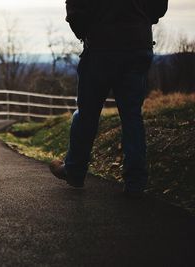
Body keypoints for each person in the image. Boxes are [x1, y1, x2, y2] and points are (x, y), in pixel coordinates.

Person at [49, 0, 168, 196]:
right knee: (132, 116)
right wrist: (139, 20)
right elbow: (159, 6)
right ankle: (135, 182)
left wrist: (86, 31)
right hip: (137, 44)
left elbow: (76, 10)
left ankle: (75, 171)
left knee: (87, 113)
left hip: (100, 47)